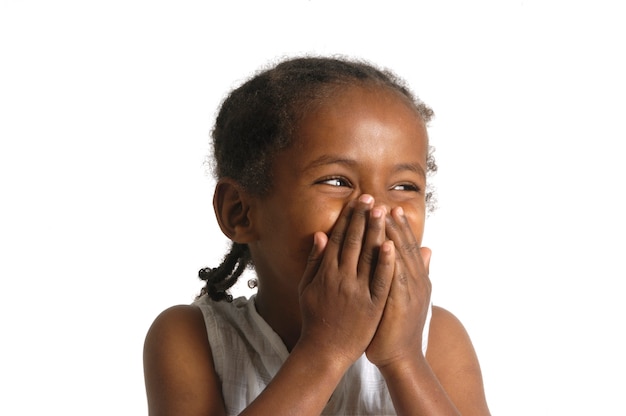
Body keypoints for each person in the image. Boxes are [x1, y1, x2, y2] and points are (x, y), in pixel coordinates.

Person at [143, 56, 491, 416]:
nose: (377, 211)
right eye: (336, 181)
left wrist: (403, 358)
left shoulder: (438, 339)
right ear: (240, 211)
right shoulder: (191, 337)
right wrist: (326, 349)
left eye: (404, 186)